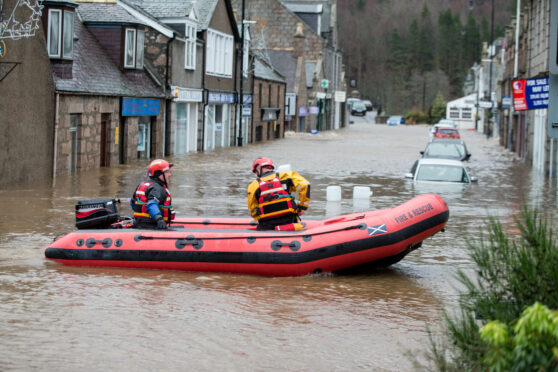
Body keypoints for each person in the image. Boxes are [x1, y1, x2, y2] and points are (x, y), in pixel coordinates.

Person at [247, 157, 310, 231]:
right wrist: (302, 207)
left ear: (258, 168)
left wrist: (257, 216)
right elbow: (305, 185)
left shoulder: (253, 185)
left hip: (267, 225)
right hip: (289, 221)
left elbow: (252, 208)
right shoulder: (286, 176)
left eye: (256, 172)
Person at [130, 159, 175, 229]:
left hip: (140, 224)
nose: (170, 175)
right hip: (151, 225)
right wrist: (159, 219)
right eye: (167, 172)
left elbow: (133, 203)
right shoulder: (157, 189)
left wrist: (141, 217)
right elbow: (151, 204)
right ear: (158, 174)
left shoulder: (142, 185)